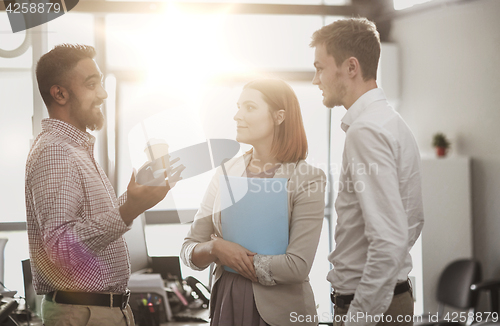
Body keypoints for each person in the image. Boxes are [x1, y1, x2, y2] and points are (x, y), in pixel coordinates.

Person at [25, 44, 183, 326]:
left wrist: (134, 199)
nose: (103, 93)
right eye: (91, 84)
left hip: (98, 311)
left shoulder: (75, 149)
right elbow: (60, 250)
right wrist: (127, 212)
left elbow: (89, 226)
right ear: (59, 94)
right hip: (83, 314)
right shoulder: (56, 151)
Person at [181, 79, 327, 326]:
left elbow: (297, 266)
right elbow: (189, 248)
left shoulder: (307, 178)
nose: (237, 116)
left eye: (249, 107)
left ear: (279, 116)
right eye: (238, 107)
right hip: (227, 305)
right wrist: (216, 249)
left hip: (281, 314)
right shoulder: (224, 173)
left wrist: (234, 257)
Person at [310, 18, 424, 326]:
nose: (315, 79)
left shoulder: (366, 131)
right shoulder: (391, 122)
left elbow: (391, 239)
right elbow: (411, 222)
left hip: (370, 307)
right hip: (389, 299)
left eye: (320, 68)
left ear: (350, 67)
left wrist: (358, 317)